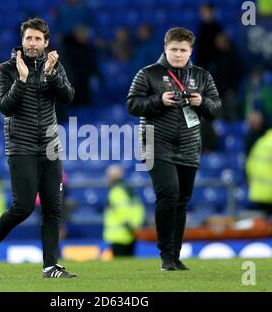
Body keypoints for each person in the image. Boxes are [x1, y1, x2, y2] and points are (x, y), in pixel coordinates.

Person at [0, 18, 76, 279]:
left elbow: (67, 97)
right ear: (22, 40)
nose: (32, 43)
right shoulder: (5, 69)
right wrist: (21, 79)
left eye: (37, 39)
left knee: (53, 207)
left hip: (51, 146)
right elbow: (5, 106)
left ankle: (50, 266)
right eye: (28, 38)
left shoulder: (55, 67)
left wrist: (52, 75)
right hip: (21, 145)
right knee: (23, 207)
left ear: (46, 43)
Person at [127, 27, 221, 271]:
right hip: (155, 142)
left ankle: (175, 256)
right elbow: (132, 104)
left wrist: (202, 102)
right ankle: (166, 256)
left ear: (190, 51)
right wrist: (159, 101)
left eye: (183, 50)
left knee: (181, 200)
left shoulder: (202, 76)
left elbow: (216, 108)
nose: (178, 54)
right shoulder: (148, 74)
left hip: (189, 144)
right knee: (168, 193)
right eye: (173, 50)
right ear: (165, 49)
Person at [103, 165, 145, 257]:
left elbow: (122, 210)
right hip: (131, 233)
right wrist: (136, 225)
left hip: (119, 235)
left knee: (119, 263)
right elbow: (138, 208)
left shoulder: (116, 191)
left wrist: (129, 225)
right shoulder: (129, 190)